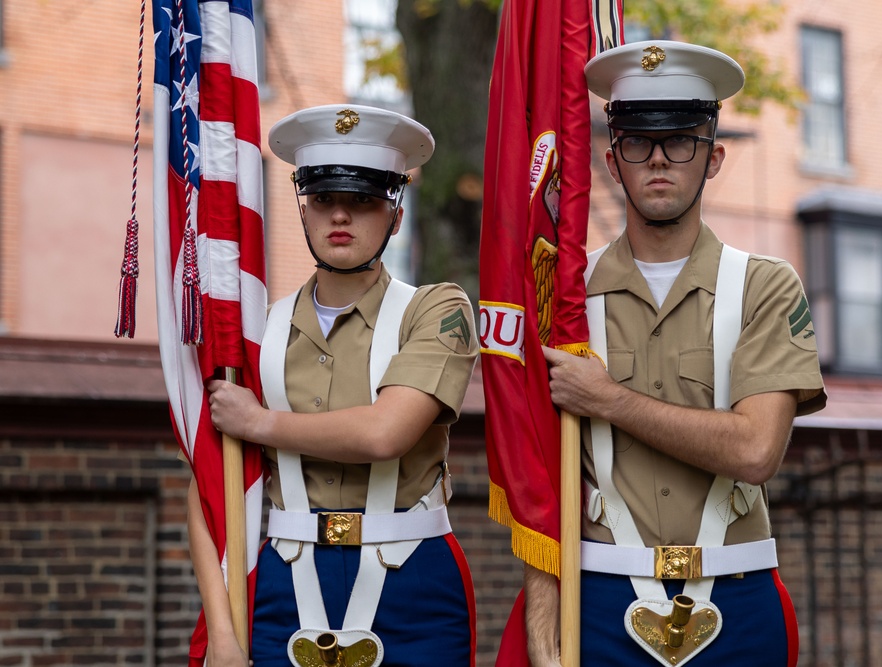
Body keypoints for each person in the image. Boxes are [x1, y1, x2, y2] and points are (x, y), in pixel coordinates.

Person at [522, 41, 827, 666]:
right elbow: (539, 484)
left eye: (680, 140)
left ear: (713, 158)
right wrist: (543, 629)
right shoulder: (563, 302)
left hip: (738, 601)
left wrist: (608, 399)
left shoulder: (765, 286)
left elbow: (754, 450)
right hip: (601, 603)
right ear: (612, 161)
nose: (658, 160)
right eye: (637, 141)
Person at [188, 104, 479, 667]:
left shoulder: (436, 309)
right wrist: (223, 637)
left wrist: (260, 423)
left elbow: (385, 434)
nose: (339, 216)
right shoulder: (255, 331)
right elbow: (206, 489)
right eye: (323, 199)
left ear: (395, 215)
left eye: (363, 200)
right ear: (304, 210)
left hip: (413, 581)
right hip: (283, 584)